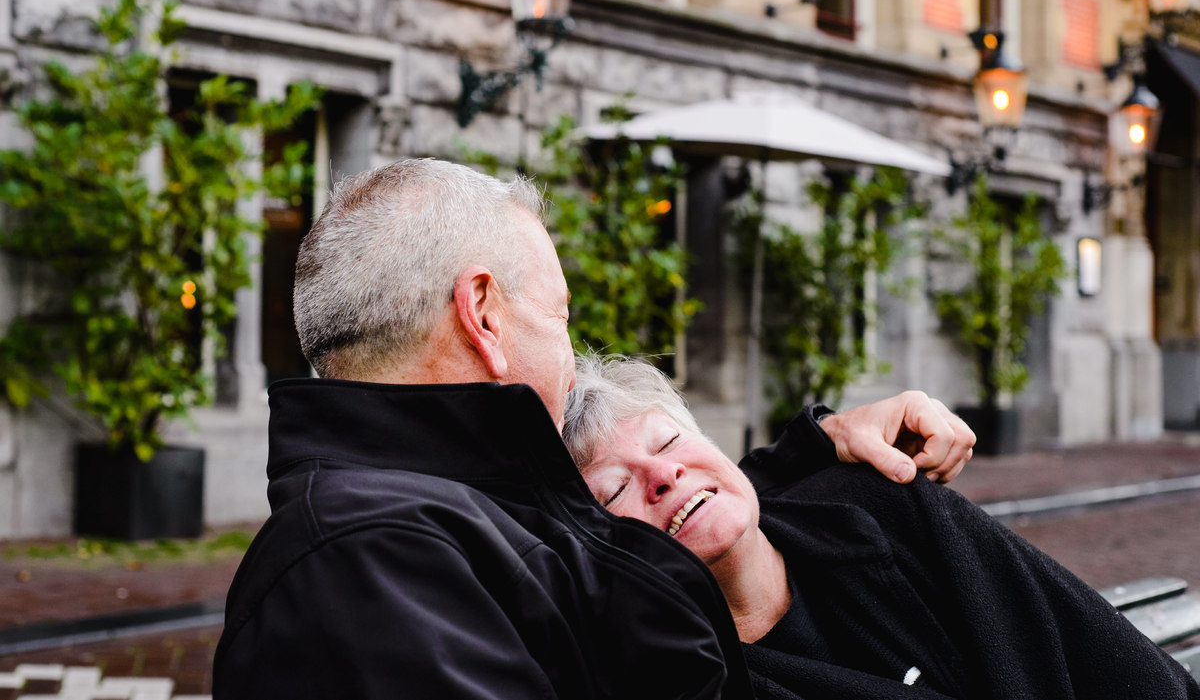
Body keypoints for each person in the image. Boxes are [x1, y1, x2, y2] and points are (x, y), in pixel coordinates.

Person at [212, 158, 975, 699]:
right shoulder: (367, 563)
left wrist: (812, 451)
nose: (572, 361)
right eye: (559, 315)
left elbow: (616, 550)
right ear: (485, 315)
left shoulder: (433, 518)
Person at [563, 353, 1200, 700]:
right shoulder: (693, 681)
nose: (663, 474)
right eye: (615, 488)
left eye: (670, 439)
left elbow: (1098, 650)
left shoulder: (878, 507)